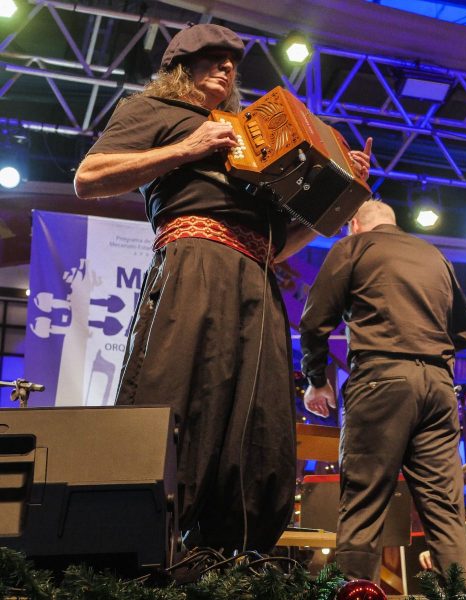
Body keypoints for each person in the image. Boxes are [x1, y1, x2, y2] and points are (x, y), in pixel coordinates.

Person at [73, 23, 371, 553]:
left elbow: (279, 246)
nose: (227, 68)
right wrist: (187, 148)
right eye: (211, 59)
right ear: (179, 69)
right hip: (194, 263)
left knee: (259, 419)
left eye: (232, 63)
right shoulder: (155, 112)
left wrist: (344, 191)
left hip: (256, 276)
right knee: (177, 395)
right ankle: (147, 550)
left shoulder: (251, 136)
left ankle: (230, 555)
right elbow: (90, 177)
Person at [299, 199, 466, 585]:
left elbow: (314, 323)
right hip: (439, 389)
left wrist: (316, 380)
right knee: (445, 511)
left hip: (381, 381)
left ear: (354, 225)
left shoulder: (352, 247)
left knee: (364, 505)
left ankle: (356, 595)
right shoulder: (435, 256)